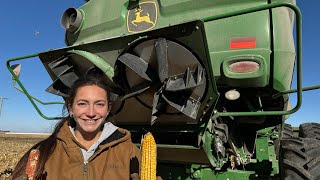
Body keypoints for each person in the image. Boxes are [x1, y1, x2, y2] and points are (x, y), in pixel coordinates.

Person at [12, 73, 141, 180]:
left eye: (99, 104)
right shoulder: (44, 151)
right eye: (82, 104)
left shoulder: (128, 151)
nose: (91, 113)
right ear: (70, 108)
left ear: (108, 109)